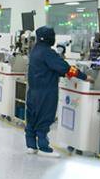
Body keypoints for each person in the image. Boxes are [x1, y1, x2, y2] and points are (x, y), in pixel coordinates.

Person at [24, 25, 70, 155]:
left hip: (33, 91)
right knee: (45, 117)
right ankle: (44, 147)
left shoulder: (35, 50)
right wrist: (84, 76)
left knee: (32, 117)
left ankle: (31, 145)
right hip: (46, 92)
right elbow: (64, 68)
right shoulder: (48, 53)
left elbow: (48, 68)